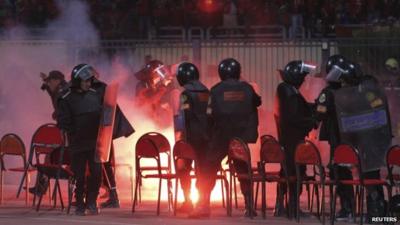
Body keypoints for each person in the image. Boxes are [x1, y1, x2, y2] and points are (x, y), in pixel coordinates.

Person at [190, 58, 261, 218]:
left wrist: (208, 135)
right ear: (238, 72)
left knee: (208, 168)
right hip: (240, 139)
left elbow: (209, 115)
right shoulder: (247, 88)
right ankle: (249, 206)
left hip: (220, 136)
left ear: (221, 73)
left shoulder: (215, 90)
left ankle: (203, 206)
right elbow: (258, 102)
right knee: (244, 171)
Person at [333, 61, 391, 222]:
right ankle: (375, 212)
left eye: (346, 81)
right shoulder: (358, 92)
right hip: (365, 142)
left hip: (373, 142)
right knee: (368, 178)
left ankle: (377, 213)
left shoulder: (369, 92)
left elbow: (378, 113)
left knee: (371, 177)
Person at [57, 64, 103, 216]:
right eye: (85, 81)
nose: (89, 84)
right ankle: (80, 204)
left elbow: (104, 115)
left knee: (97, 173)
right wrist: (74, 132)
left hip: (94, 142)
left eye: (90, 81)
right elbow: (63, 121)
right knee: (79, 175)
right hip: (77, 143)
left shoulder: (95, 95)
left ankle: (91, 201)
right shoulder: (66, 98)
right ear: (77, 81)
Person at [274, 60, 317, 218]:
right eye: (302, 77)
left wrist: (311, 108)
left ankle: (281, 207)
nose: (304, 80)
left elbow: (297, 110)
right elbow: (294, 118)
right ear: (296, 77)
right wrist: (312, 121)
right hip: (293, 141)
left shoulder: (286, 90)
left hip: (287, 140)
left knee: (286, 172)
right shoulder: (290, 92)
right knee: (296, 173)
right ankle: (293, 208)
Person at [315, 55, 355, 221]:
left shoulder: (328, 93)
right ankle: (350, 208)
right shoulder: (351, 91)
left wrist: (317, 106)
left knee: (339, 173)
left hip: (336, 140)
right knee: (346, 173)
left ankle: (346, 209)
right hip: (350, 139)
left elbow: (320, 112)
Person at [90, 77, 135, 209]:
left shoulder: (97, 90)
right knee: (106, 165)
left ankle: (110, 196)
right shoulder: (102, 88)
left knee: (105, 165)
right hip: (105, 132)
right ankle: (112, 195)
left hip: (102, 133)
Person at [173, 62, 210, 213]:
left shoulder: (185, 94)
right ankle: (203, 202)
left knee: (183, 168)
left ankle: (188, 201)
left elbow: (184, 116)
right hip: (206, 137)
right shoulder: (207, 92)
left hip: (190, 138)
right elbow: (210, 113)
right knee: (203, 170)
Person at [29, 70, 68, 197]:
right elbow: (52, 94)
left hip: (68, 132)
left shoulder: (63, 91)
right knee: (49, 157)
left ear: (57, 81)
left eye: (51, 80)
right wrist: (46, 82)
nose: (49, 83)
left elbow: (64, 107)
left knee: (53, 158)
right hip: (65, 130)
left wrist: (57, 114)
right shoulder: (59, 90)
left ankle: (41, 188)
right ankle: (41, 188)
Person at [134, 59, 179, 128]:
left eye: (161, 70)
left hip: (157, 119)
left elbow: (170, 97)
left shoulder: (157, 84)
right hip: (143, 119)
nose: (160, 74)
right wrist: (163, 87)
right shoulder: (142, 86)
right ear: (151, 73)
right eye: (157, 71)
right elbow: (149, 102)